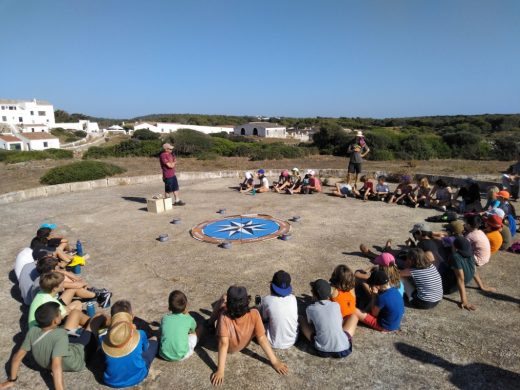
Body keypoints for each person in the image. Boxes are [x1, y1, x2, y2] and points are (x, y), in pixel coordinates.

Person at [0, 302, 105, 390]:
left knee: (75, 313)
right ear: (55, 320)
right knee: (99, 316)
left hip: (46, 363)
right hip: (77, 359)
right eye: (59, 313)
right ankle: (113, 329)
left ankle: (89, 326)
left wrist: (11, 380)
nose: (62, 314)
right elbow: (56, 366)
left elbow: (17, 357)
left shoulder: (33, 331)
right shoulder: (60, 335)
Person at [210, 286, 288, 386]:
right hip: (244, 344)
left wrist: (220, 370)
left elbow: (223, 344)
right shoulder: (255, 314)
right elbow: (262, 339)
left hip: (230, 348)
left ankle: (209, 322)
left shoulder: (224, 317)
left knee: (222, 298)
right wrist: (275, 362)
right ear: (247, 301)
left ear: (228, 304)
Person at [100, 300, 159, 388]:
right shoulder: (140, 333)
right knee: (154, 339)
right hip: (138, 376)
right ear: (131, 316)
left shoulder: (103, 339)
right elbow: (145, 348)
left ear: (112, 318)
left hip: (111, 381)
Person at [299, 279, 357, 357]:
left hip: (322, 350)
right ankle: (339, 337)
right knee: (354, 316)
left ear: (314, 294)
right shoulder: (336, 305)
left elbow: (310, 324)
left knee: (302, 319)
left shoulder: (310, 308)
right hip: (344, 348)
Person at [258, 270, 298, 349]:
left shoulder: (267, 300)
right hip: (293, 340)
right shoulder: (293, 298)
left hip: (272, 342)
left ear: (271, 286)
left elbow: (264, 318)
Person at [160, 290, 200, 361]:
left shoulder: (164, 318)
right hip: (182, 355)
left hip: (163, 354)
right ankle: (197, 343)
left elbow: (161, 333)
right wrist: (187, 313)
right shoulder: (189, 319)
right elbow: (193, 329)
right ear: (185, 306)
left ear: (169, 306)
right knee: (197, 332)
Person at [442, 236, 476, 311]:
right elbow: (475, 271)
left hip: (448, 288)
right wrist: (482, 286)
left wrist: (464, 301)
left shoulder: (455, 257)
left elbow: (460, 278)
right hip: (463, 282)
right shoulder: (470, 254)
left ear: (456, 247)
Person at [463, 215, 496, 292]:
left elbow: (462, 246)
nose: (464, 225)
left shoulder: (469, 236)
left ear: (468, 225)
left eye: (465, 223)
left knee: (458, 255)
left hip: (478, 259)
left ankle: (481, 286)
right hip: (485, 257)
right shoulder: (480, 231)